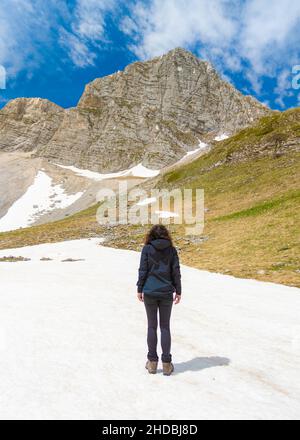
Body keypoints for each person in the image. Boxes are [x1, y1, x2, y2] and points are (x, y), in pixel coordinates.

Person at [136, 224, 181, 376]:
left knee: (151, 327)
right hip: (166, 292)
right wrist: (178, 290)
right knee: (165, 327)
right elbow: (176, 271)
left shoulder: (147, 249)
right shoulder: (172, 250)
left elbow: (143, 270)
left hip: (149, 291)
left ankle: (152, 363)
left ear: (151, 235)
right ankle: (167, 364)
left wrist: (140, 288)